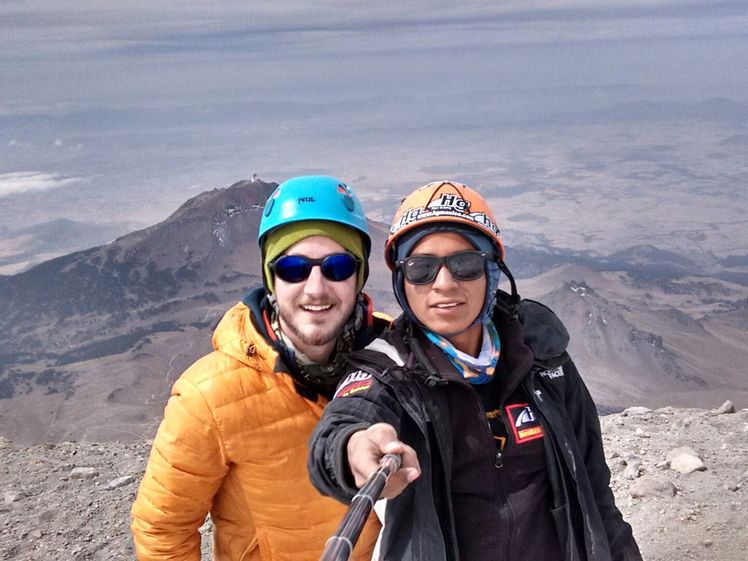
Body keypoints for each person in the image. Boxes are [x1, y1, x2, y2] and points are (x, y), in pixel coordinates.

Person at [308, 181, 642, 561]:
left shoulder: (542, 355)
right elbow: (342, 426)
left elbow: (596, 496)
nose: (444, 283)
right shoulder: (388, 369)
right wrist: (354, 448)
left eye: (465, 264)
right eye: (421, 268)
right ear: (402, 280)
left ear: (491, 272)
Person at [131, 176, 386, 561]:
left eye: (337, 266)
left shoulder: (394, 359)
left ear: (359, 276)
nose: (316, 288)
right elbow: (164, 527)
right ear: (271, 278)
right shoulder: (209, 397)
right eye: (293, 268)